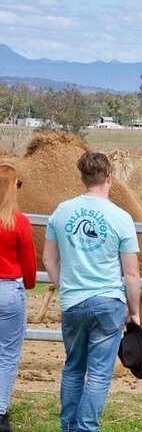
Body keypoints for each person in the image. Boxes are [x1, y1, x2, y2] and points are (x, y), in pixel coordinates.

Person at [42, 151, 141, 432]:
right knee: (98, 374)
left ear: (83, 178)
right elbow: (131, 273)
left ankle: (69, 426)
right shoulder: (121, 218)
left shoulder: (61, 212)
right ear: (109, 177)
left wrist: (68, 287)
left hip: (73, 303)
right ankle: (86, 428)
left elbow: (49, 259)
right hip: (108, 303)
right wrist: (133, 311)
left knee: (73, 367)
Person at [0, 164, 36, 432]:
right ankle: (0, 412)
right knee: (8, 354)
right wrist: (30, 284)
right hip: (9, 291)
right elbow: (30, 265)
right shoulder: (19, 222)